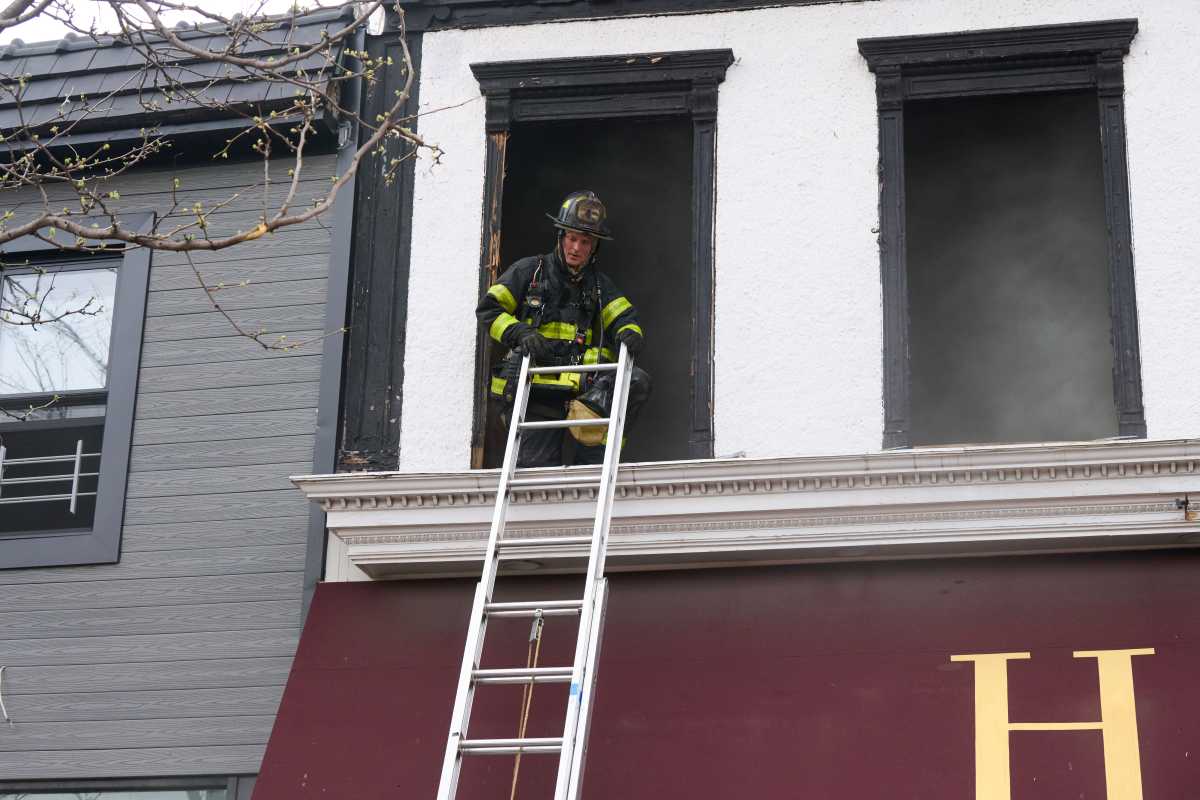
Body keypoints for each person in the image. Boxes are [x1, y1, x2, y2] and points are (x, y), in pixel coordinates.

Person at [477, 190, 652, 468]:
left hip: (581, 393)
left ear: (594, 247)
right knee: (538, 480)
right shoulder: (529, 272)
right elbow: (489, 310)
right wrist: (520, 332)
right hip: (535, 393)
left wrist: (629, 333)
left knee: (635, 382)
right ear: (560, 237)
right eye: (572, 238)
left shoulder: (599, 285)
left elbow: (625, 318)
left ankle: (593, 461)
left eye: (585, 241)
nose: (576, 248)